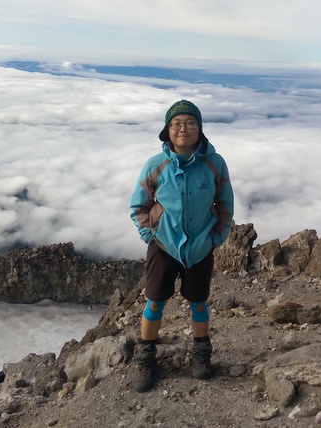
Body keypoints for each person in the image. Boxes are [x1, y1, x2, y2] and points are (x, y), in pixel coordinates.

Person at [129, 99, 234, 392]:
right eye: (176, 124)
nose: (182, 129)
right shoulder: (155, 165)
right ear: (167, 131)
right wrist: (149, 235)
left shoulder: (215, 163)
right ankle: (146, 358)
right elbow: (139, 204)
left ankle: (201, 354)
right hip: (163, 246)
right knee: (155, 302)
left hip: (200, 246)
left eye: (189, 123)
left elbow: (225, 203)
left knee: (198, 302)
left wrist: (216, 238)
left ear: (199, 129)